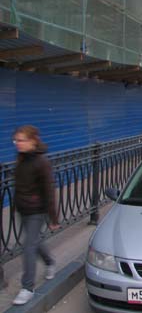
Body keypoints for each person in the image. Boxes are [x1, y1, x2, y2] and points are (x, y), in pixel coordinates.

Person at [12, 125, 59, 305]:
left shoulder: (42, 162)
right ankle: (50, 262)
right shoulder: (21, 158)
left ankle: (27, 288)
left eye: (22, 140)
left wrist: (53, 218)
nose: (18, 143)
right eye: (16, 140)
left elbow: (49, 190)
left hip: (36, 211)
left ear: (33, 141)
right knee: (35, 241)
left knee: (28, 246)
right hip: (23, 208)